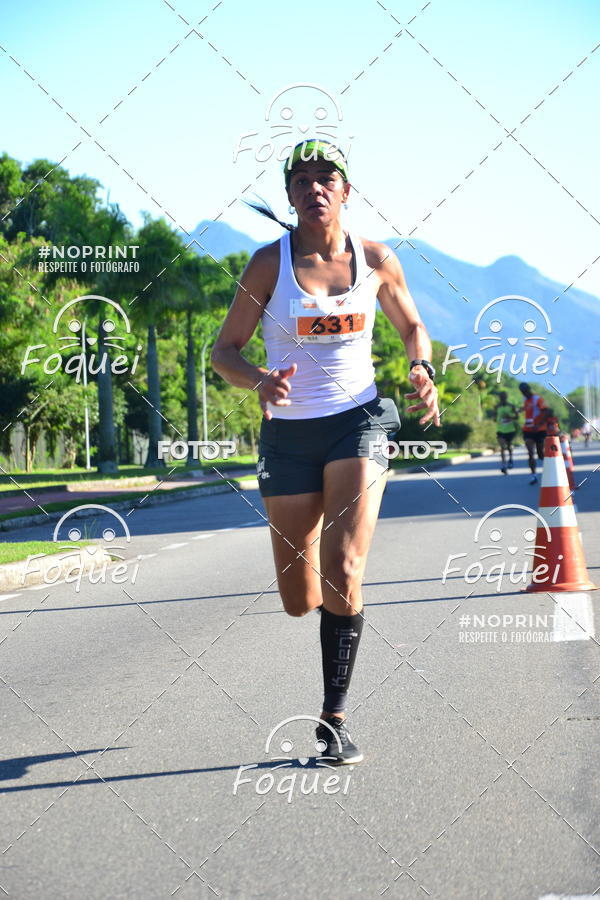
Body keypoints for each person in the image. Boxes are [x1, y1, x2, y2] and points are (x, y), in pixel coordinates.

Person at [211, 139, 440, 765]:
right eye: (302, 180)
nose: (314, 188)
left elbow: (412, 326)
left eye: (326, 178)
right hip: (288, 436)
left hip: (357, 423)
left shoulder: (376, 259)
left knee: (344, 567)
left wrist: (420, 366)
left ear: (346, 191)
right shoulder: (268, 265)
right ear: (289, 195)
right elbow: (224, 352)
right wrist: (259, 379)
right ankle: (318, 582)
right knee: (299, 598)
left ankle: (333, 719)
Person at [519, 382, 549, 485]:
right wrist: (519, 410)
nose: (524, 393)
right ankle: (533, 475)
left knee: (540, 454)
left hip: (540, 430)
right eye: (522, 392)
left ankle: (549, 469)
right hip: (528, 430)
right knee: (530, 452)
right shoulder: (525, 400)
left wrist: (538, 424)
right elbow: (527, 409)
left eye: (525, 391)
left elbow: (546, 411)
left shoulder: (538, 399)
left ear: (528, 389)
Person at [495, 391, 518, 474]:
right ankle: (503, 465)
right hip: (500, 430)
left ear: (506, 397)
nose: (502, 398)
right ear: (499, 398)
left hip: (510, 430)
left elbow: (517, 417)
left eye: (504, 397)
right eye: (501, 397)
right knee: (502, 447)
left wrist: (510, 417)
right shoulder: (497, 406)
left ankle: (510, 459)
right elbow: (494, 416)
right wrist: (496, 418)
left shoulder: (511, 406)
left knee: (509, 446)